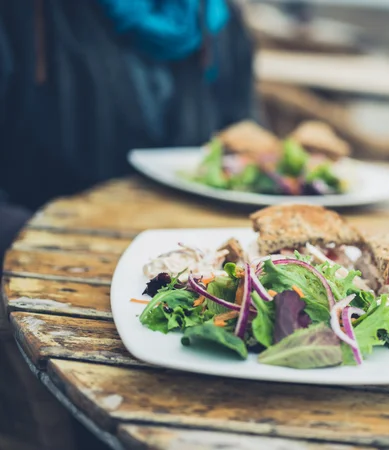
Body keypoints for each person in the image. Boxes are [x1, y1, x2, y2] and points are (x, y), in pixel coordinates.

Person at [0, 2, 255, 448]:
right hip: (58, 301)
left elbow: (242, 132)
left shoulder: (219, 19)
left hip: (204, 297)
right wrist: (55, 251)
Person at [0, 0, 256, 264]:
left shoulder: (219, 22)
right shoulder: (21, 14)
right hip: (49, 266)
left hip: (191, 265)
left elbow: (246, 140)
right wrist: (39, 242)